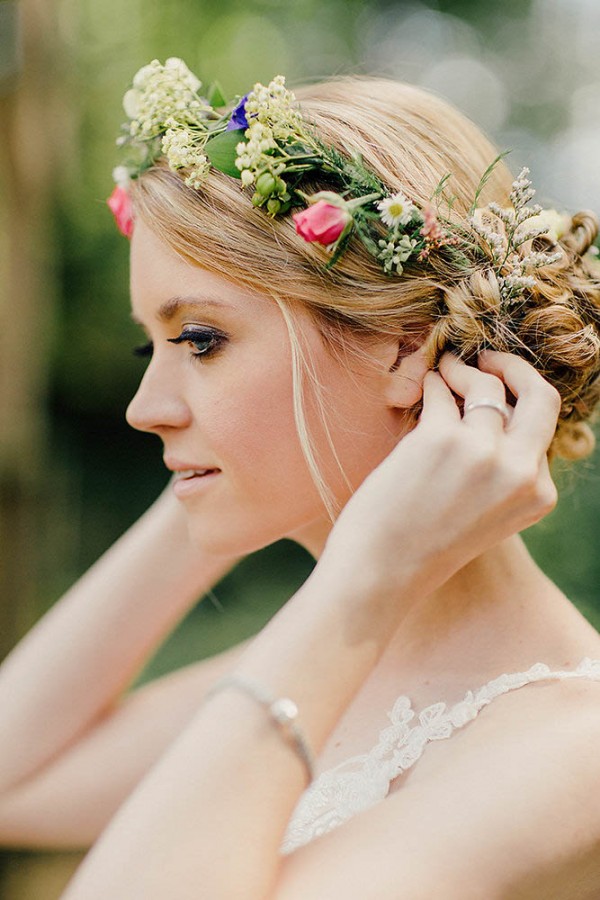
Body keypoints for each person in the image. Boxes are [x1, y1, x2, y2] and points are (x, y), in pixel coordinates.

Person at [1, 63, 600, 899]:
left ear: (406, 345)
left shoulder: (573, 753)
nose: (143, 408)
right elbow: (9, 782)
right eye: (153, 347)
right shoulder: (325, 660)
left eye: (201, 339)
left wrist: (356, 582)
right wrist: (210, 489)